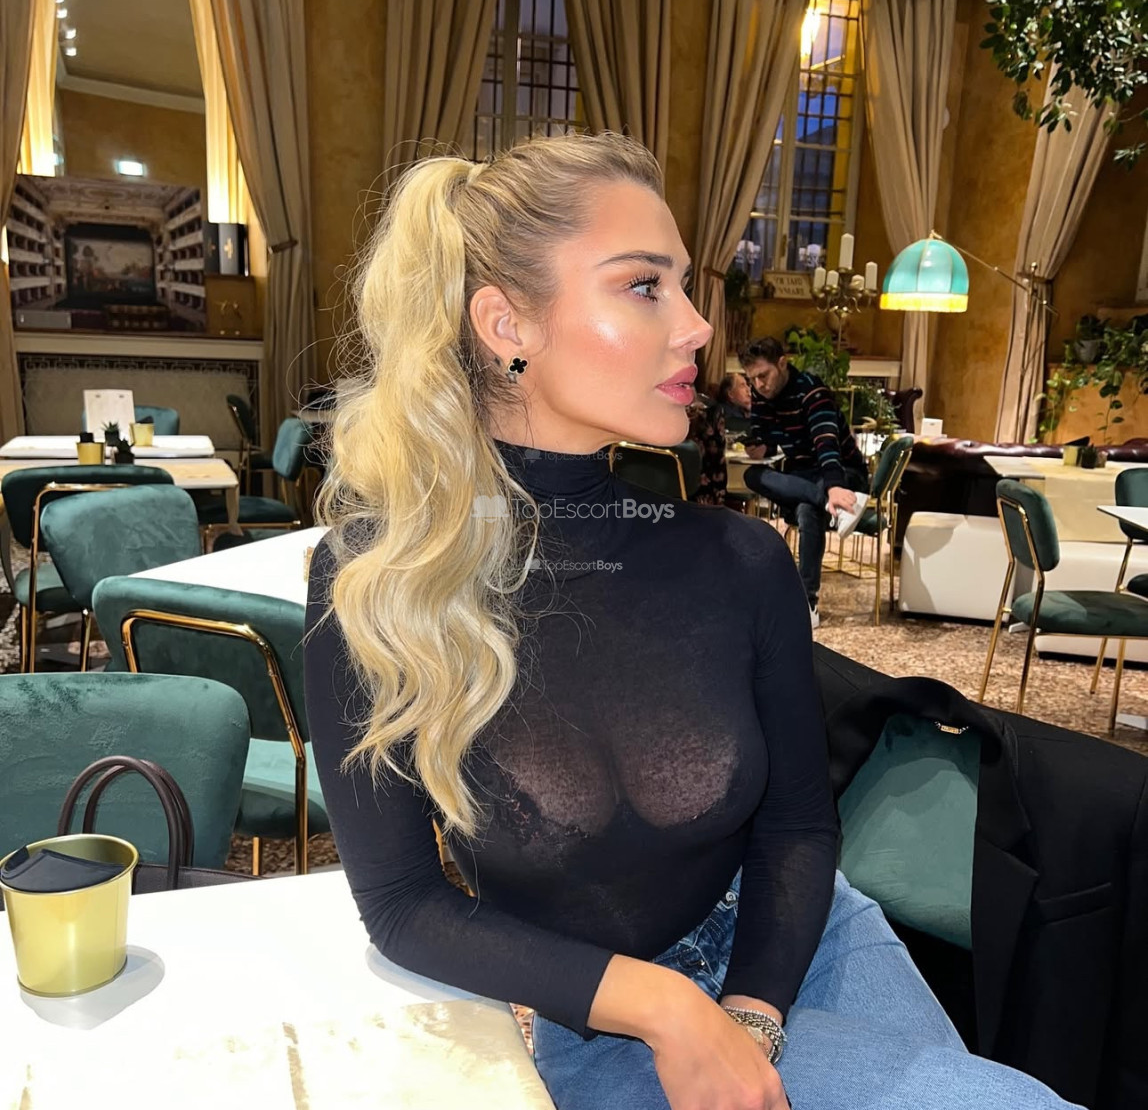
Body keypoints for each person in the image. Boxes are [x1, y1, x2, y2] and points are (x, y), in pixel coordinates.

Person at [303, 133, 1081, 1110]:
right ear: (506, 323)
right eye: (644, 286)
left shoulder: (737, 561)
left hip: (803, 942)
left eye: (682, 285)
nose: (697, 326)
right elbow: (401, 902)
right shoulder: (380, 584)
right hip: (594, 1008)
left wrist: (749, 1013)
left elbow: (796, 824)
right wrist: (665, 1006)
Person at [739, 337, 870, 628]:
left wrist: (835, 485)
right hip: (807, 476)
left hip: (844, 471)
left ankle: (806, 603)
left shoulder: (812, 392)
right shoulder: (762, 396)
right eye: (752, 379)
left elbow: (826, 441)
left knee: (807, 511)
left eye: (764, 375)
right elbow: (765, 435)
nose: (759, 385)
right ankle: (830, 503)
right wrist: (762, 449)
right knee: (752, 475)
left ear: (782, 363)